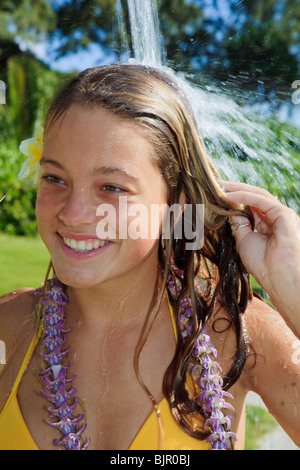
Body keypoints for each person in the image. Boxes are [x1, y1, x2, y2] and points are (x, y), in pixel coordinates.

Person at [0, 64, 299, 451]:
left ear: (176, 203)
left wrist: (291, 286)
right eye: (55, 178)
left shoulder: (234, 333)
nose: (72, 213)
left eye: (112, 187)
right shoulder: (11, 327)